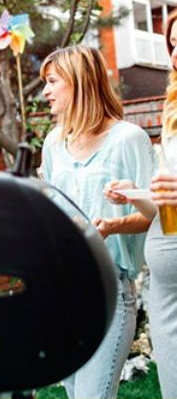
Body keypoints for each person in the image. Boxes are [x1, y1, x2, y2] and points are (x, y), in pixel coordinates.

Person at [39, 45, 154, 399]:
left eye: (53, 81)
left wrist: (112, 226)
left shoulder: (127, 139)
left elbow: (158, 217)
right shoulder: (54, 143)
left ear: (80, 83)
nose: (45, 91)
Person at [104, 10, 177, 398]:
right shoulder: (172, 117)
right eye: (173, 45)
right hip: (166, 289)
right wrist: (138, 194)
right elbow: (163, 214)